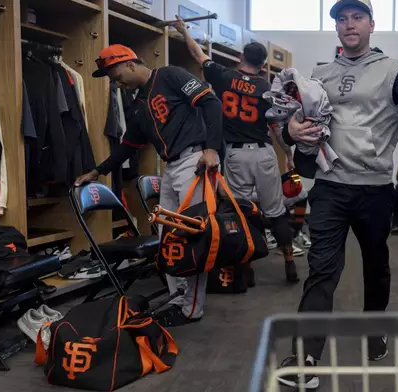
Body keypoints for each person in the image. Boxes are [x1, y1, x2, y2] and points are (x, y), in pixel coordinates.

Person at [275, 0, 398, 388]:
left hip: (375, 190)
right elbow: (293, 122)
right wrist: (289, 133)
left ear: (371, 24)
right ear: (336, 28)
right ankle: (306, 356)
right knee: (322, 272)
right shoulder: (319, 74)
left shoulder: (392, 70)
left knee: (376, 267)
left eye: (357, 18)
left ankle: (374, 327)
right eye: (342, 19)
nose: (349, 25)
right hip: (331, 187)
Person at [74, 44, 223, 327]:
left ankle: (192, 308)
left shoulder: (170, 75)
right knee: (169, 237)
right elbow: (129, 144)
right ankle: (179, 297)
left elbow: (211, 102)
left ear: (130, 64)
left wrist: (212, 148)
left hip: (195, 159)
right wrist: (98, 171)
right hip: (171, 167)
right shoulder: (139, 102)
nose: (115, 82)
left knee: (191, 237)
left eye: (116, 75)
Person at [170, 17, 301, 284]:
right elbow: (276, 127)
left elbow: (198, 53)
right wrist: (288, 155)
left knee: (243, 212)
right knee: (275, 212)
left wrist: (183, 31)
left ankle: (246, 270)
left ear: (241, 56)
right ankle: (289, 261)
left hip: (236, 155)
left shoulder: (223, 75)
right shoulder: (266, 88)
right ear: (263, 65)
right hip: (263, 153)